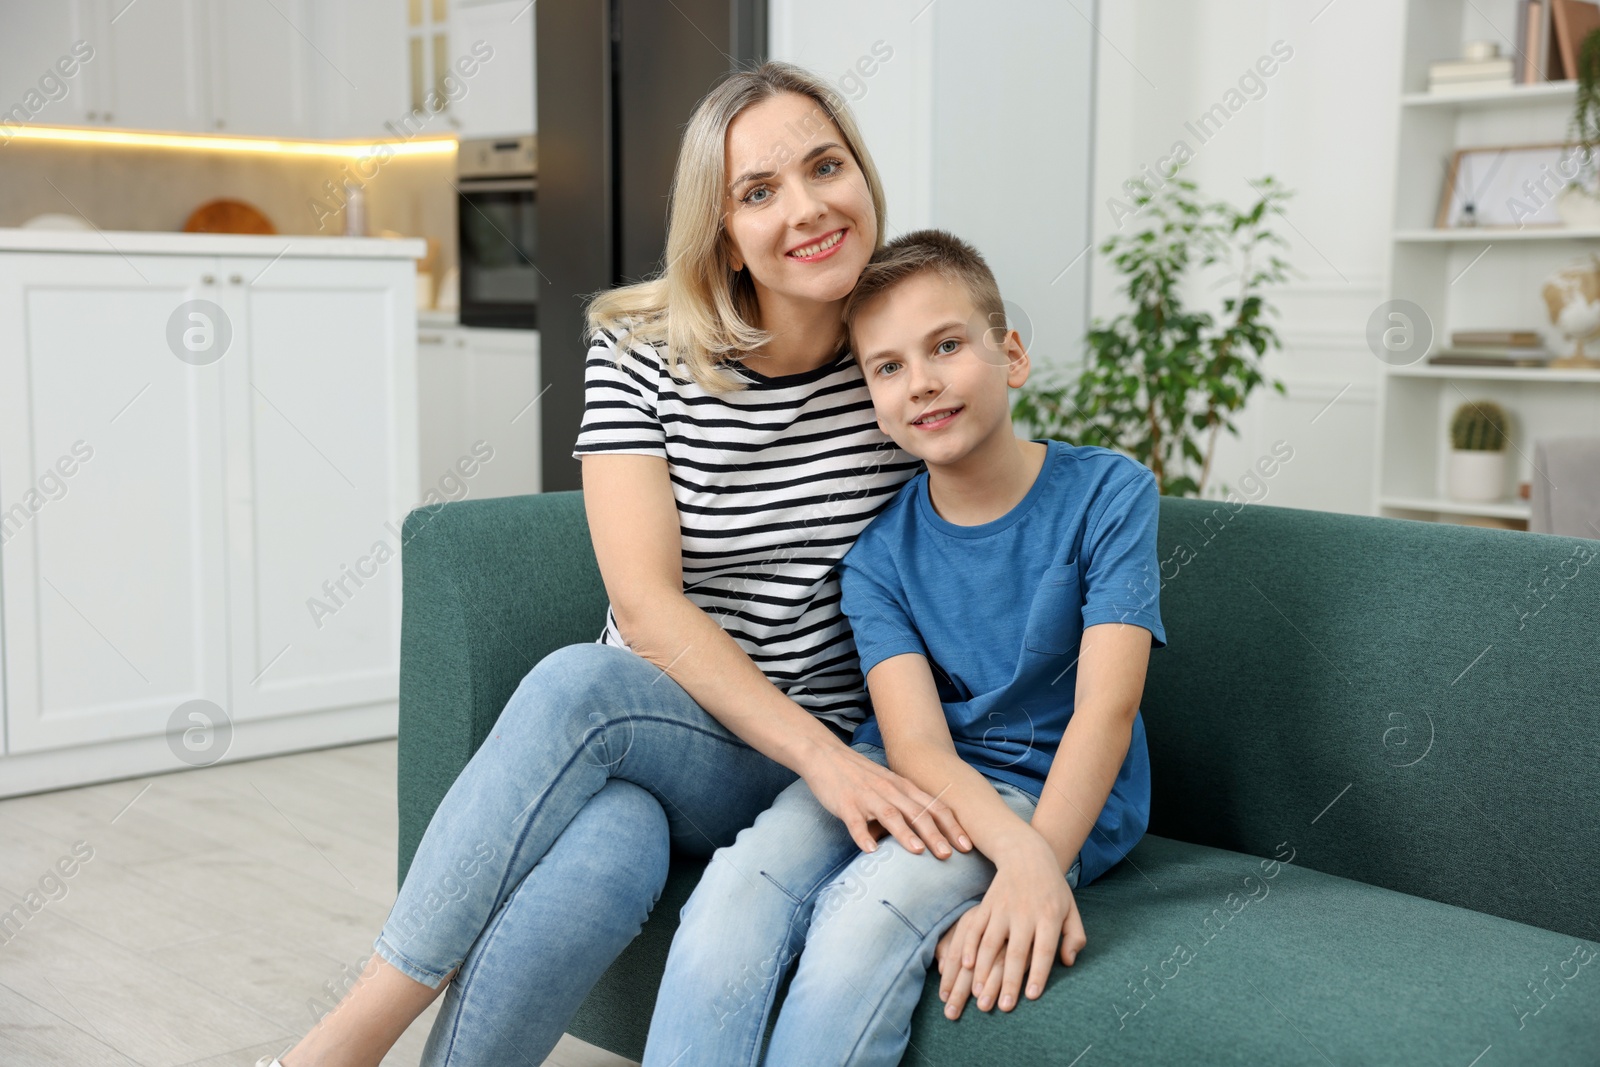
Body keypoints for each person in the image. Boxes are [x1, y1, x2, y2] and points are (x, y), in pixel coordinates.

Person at [263, 63, 977, 1067]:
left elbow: (991, 510)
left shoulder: (896, 351)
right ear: (720, 227)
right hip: (662, 731)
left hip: (798, 751)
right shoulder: (641, 347)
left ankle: (338, 1045)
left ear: (861, 173)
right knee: (612, 841)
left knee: (576, 686)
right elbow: (645, 610)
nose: (808, 208)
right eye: (759, 191)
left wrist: (849, 756)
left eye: (826, 166)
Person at [642, 230, 1167, 1067]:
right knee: (738, 888)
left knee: (862, 919)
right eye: (886, 367)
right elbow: (916, 743)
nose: (920, 381)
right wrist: (1018, 855)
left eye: (947, 346)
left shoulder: (1110, 493)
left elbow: (1106, 710)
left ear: (1012, 354)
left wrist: (1034, 860)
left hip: (1042, 788)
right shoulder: (877, 554)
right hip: (902, 771)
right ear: (871, 397)